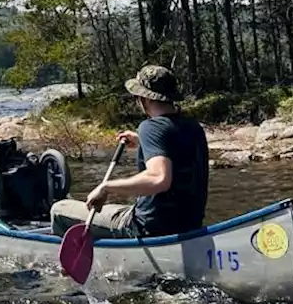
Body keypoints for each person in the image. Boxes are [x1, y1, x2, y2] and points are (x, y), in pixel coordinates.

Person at [50, 65, 209, 239]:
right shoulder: (193, 127)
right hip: (190, 226)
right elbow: (177, 154)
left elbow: (159, 179)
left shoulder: (151, 127)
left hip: (148, 228)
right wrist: (143, 143)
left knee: (60, 210)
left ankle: (74, 262)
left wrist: (106, 187)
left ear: (144, 99)